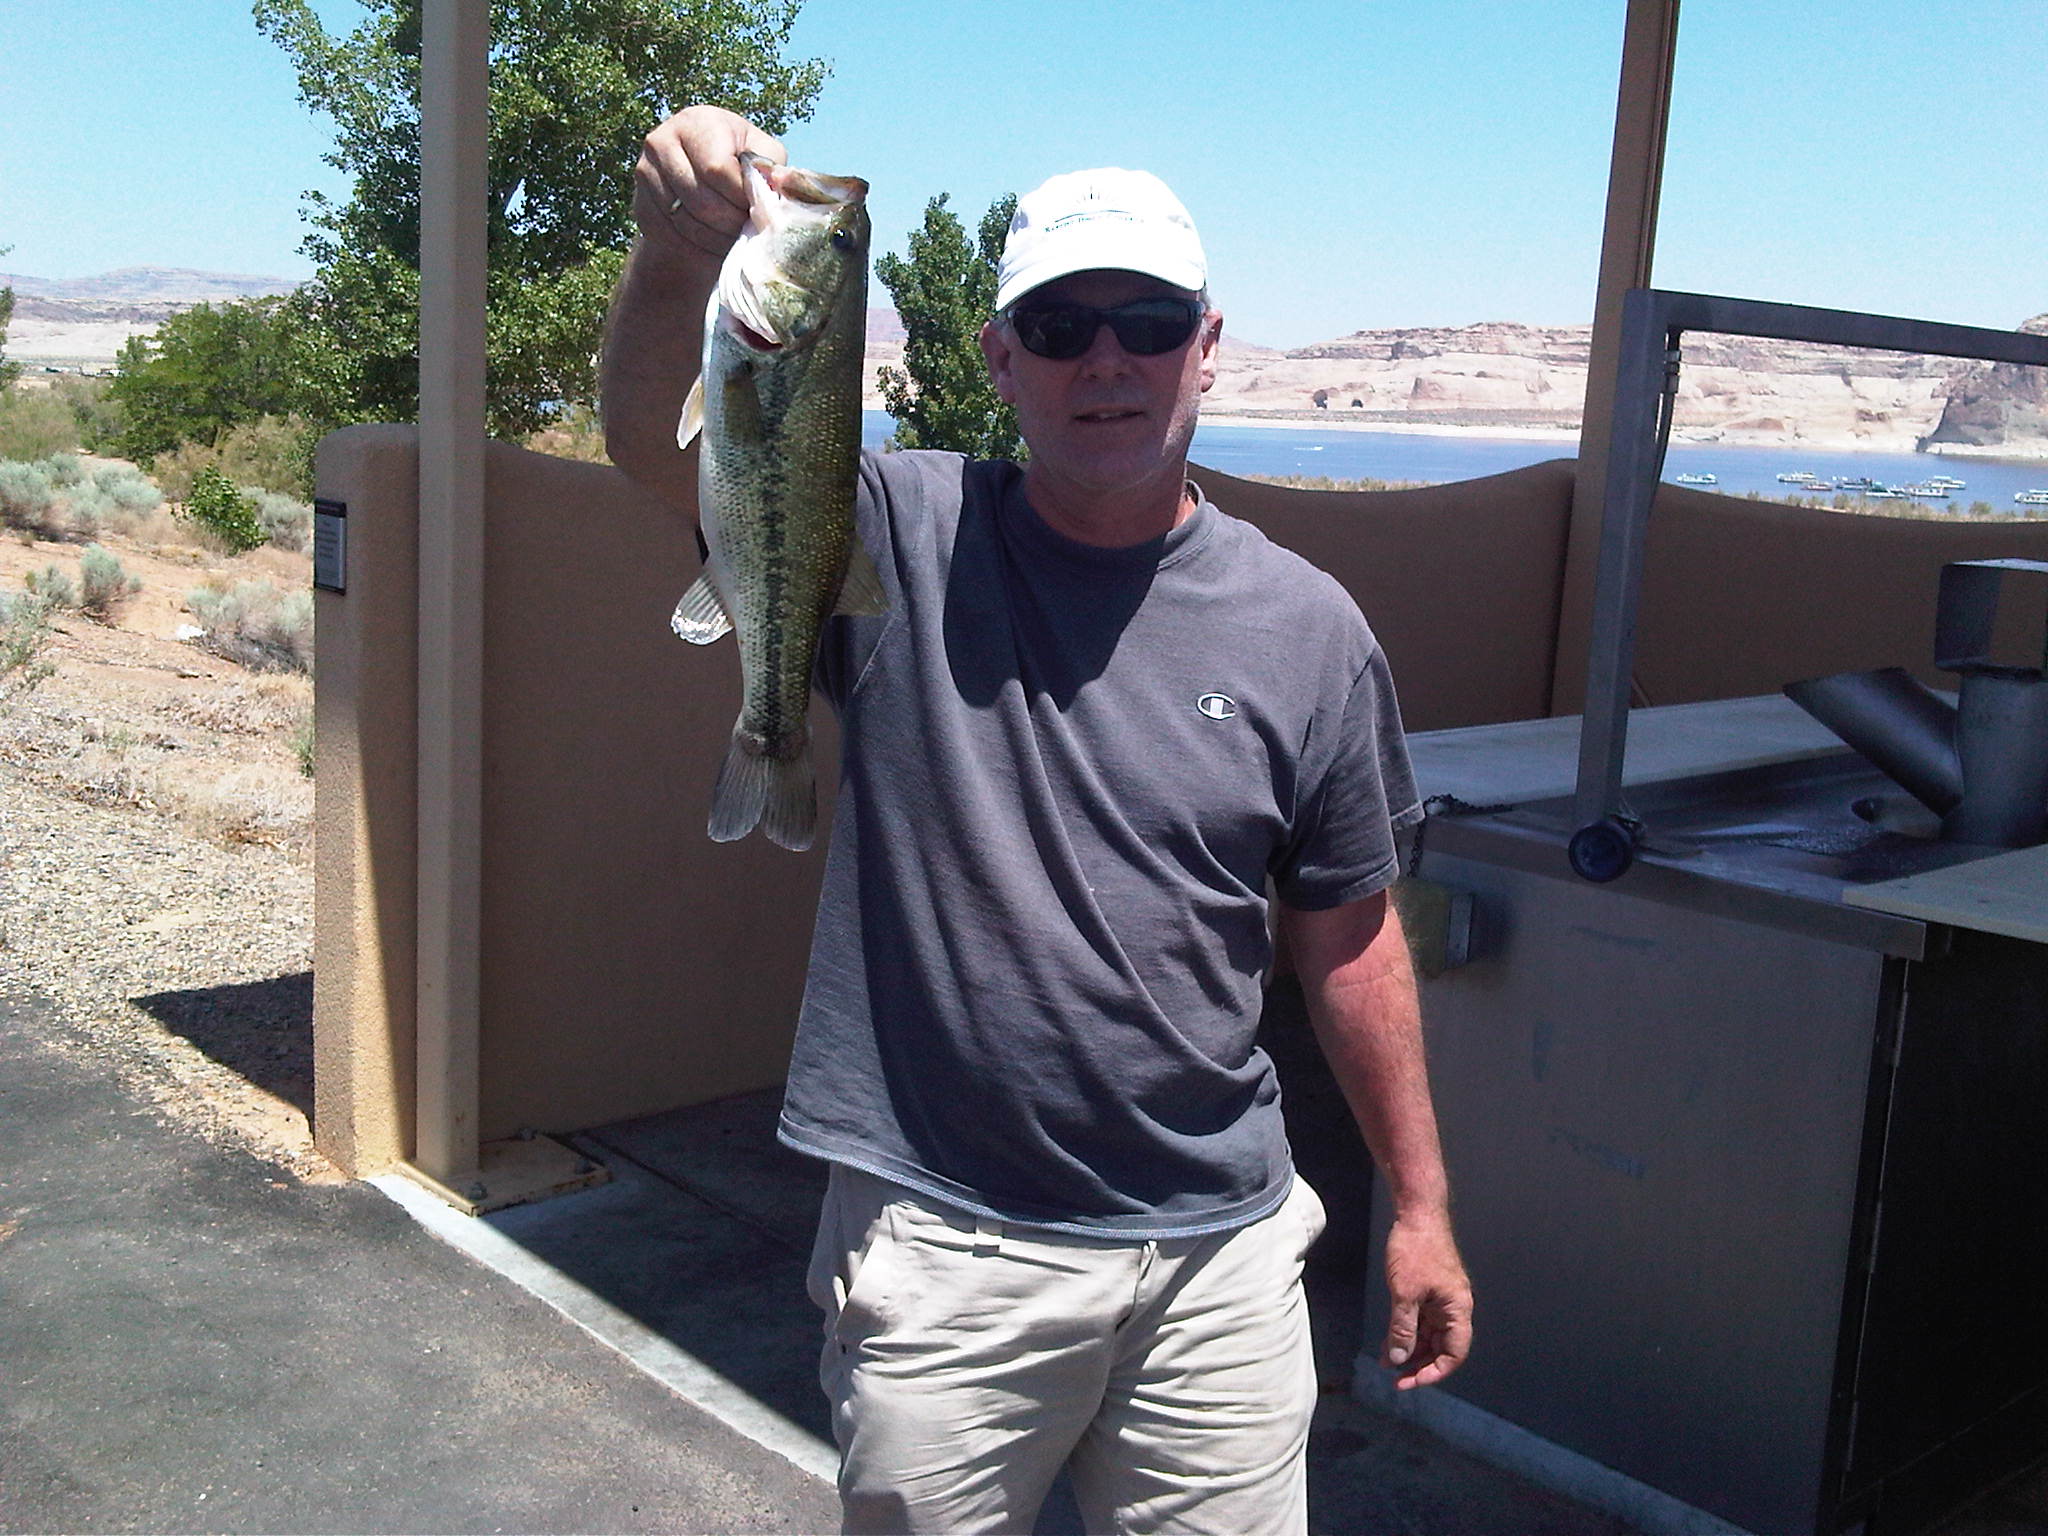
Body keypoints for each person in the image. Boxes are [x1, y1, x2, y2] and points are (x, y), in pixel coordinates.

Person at [602, 105, 1472, 1536]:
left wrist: (1421, 1205)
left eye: (1145, 318)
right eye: (1062, 326)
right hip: (946, 1251)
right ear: (1001, 359)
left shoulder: (1309, 631)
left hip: (1221, 1264)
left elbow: (1353, 943)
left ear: (1207, 343)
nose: (1107, 357)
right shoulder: (896, 529)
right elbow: (653, 443)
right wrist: (670, 250)